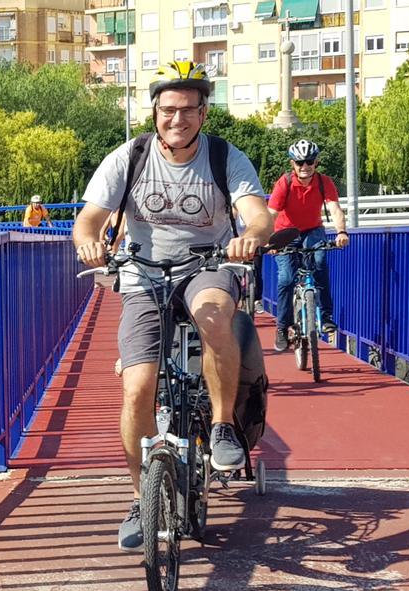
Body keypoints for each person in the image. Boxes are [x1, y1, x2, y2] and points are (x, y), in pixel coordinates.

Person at [72, 61, 274, 553]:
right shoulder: (130, 156)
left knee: (212, 315)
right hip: (143, 272)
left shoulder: (226, 158)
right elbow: (88, 220)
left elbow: (258, 216)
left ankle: (224, 426)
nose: (177, 119)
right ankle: (142, 497)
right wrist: (88, 244)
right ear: (155, 111)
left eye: (188, 110)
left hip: (206, 264)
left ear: (204, 113)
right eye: (168, 110)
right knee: (137, 386)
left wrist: (249, 238)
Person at [266, 139, 350, 350]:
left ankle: (326, 315)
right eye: (300, 162)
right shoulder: (284, 183)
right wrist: (270, 241)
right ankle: (282, 328)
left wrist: (341, 232)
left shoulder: (324, 182)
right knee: (286, 279)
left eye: (309, 161)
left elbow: (335, 209)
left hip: (312, 230)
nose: (304, 167)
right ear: (293, 164)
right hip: (285, 232)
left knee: (320, 262)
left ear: (316, 162)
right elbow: (271, 215)